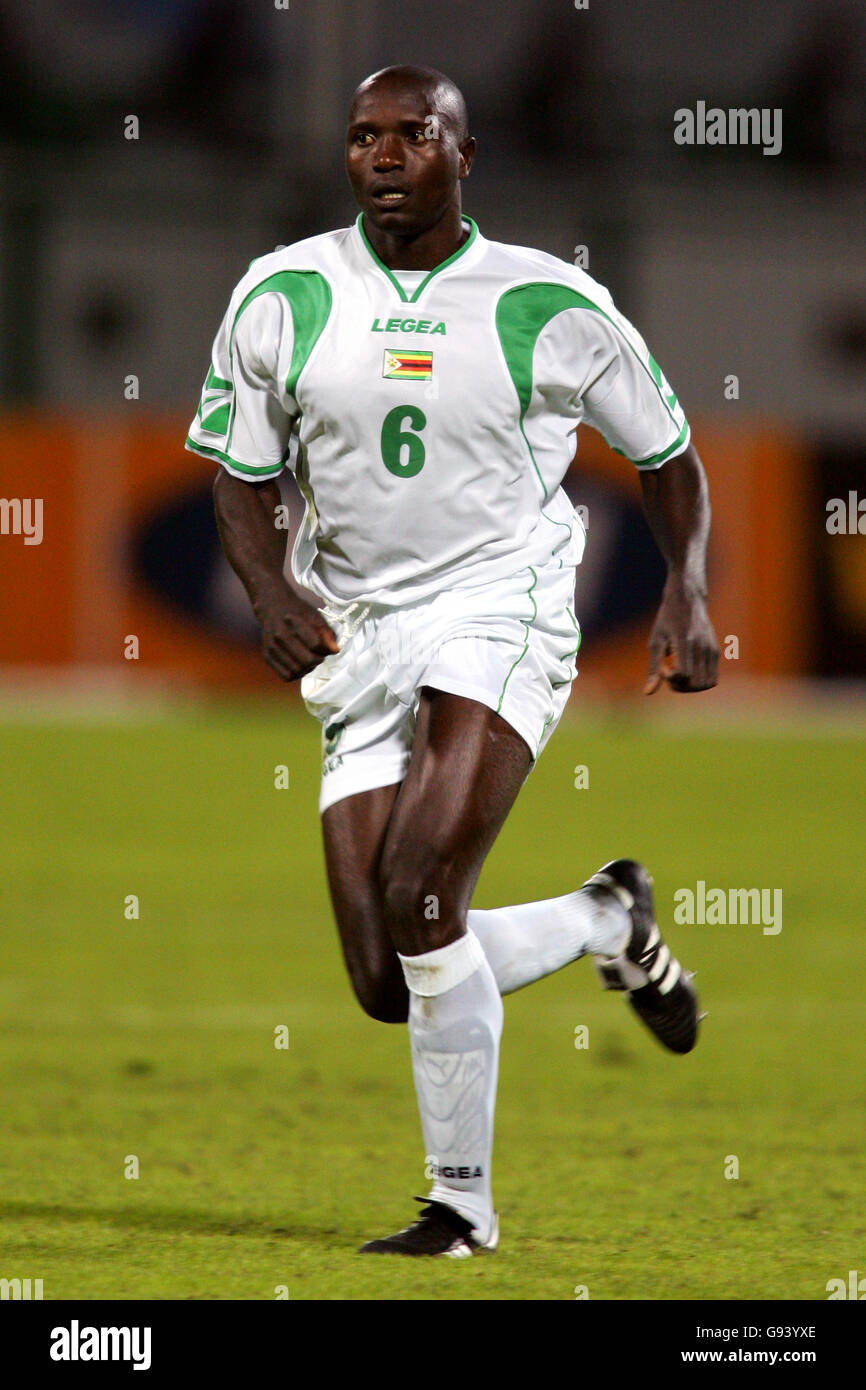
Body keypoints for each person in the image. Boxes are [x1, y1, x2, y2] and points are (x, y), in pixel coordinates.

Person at [186, 64, 719, 1258]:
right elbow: (240, 471)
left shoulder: (547, 301)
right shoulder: (282, 292)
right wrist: (269, 589)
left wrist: (684, 590)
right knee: (389, 972)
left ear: (462, 156)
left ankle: (460, 1208)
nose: (382, 154)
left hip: (503, 604)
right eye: (363, 135)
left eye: (411, 135)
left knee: (424, 880)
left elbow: (667, 450)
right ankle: (600, 919)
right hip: (358, 628)